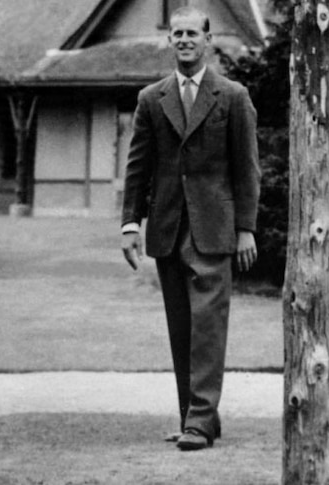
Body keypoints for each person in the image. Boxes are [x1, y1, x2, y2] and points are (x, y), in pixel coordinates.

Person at [120, 6, 260, 452]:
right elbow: (138, 166)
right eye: (176, 33)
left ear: (207, 39)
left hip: (215, 231)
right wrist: (130, 224)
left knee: (208, 328)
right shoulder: (151, 99)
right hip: (166, 229)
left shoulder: (233, 96)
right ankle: (194, 418)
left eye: (191, 34)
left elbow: (247, 170)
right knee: (181, 329)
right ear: (169, 40)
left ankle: (200, 422)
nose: (183, 40)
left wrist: (246, 228)